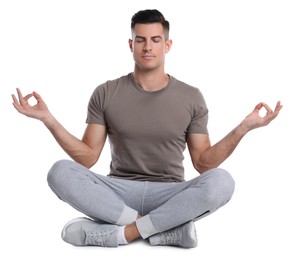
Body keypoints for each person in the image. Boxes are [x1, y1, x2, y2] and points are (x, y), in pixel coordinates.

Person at [12, 9, 282, 248]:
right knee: (59, 172)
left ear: (167, 45)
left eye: (155, 40)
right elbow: (87, 157)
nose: (147, 47)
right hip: (118, 192)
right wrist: (48, 119)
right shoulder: (106, 92)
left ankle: (121, 235)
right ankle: (161, 230)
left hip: (170, 194)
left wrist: (243, 128)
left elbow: (203, 163)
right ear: (131, 44)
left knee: (223, 181)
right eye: (140, 40)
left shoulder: (191, 97)